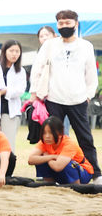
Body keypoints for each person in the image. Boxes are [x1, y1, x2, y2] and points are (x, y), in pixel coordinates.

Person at [30, 10, 101, 185]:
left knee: (85, 138)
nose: (64, 26)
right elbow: (37, 68)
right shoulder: (50, 45)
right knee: (50, 137)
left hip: (78, 99)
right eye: (60, 23)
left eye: (67, 23)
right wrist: (35, 94)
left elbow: (91, 73)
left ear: (76, 24)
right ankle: (47, 175)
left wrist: (88, 95)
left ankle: (96, 174)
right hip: (54, 98)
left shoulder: (86, 46)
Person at [28, 116, 93, 185]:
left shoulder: (69, 143)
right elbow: (31, 160)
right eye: (44, 133)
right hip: (60, 171)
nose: (47, 136)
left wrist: (48, 157)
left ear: (61, 132)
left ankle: (75, 185)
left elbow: (58, 167)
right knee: (40, 160)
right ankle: (49, 183)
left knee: (68, 164)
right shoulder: (44, 142)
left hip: (83, 172)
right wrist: (52, 157)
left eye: (51, 133)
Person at [0, 40, 26, 153]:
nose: (14, 54)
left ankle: (7, 168)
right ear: (4, 51)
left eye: (17, 51)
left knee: (7, 143)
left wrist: (4, 91)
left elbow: (20, 90)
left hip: (10, 111)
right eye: (11, 51)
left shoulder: (20, 71)